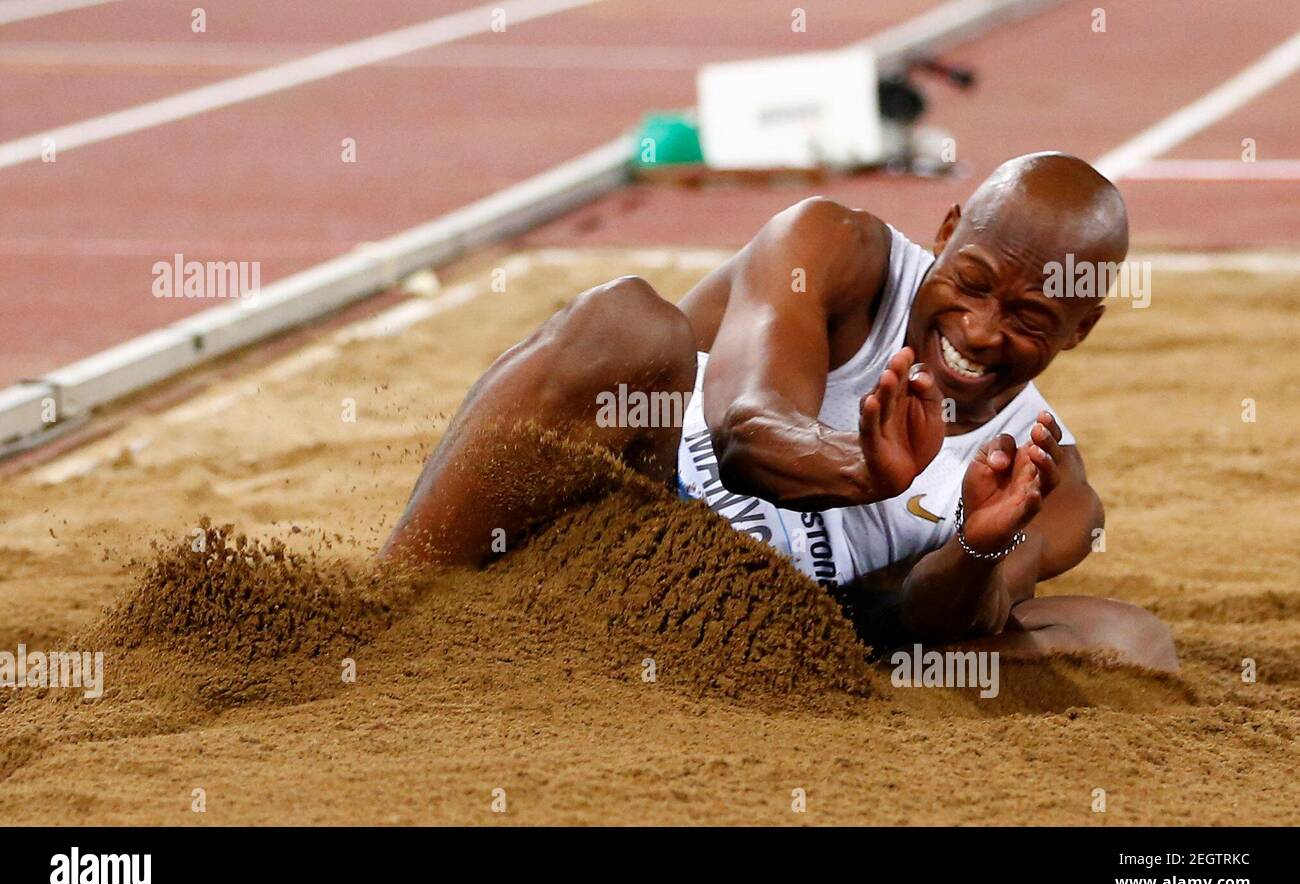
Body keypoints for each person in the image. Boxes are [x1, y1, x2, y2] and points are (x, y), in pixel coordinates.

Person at [383, 151, 1178, 672]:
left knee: (1132, 644)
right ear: (945, 231)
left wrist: (976, 545)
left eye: (1029, 318)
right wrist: (859, 467)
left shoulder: (1051, 482)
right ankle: (387, 603)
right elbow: (745, 430)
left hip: (779, 636)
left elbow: (915, 616)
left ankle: (838, 702)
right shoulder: (834, 249)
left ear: (1082, 328)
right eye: (969, 281)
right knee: (627, 323)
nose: (977, 330)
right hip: (634, 516)